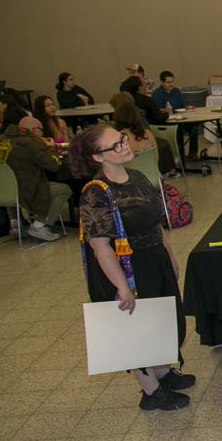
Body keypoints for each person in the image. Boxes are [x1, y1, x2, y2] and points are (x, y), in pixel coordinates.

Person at [73, 124, 193, 411]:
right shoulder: (95, 193)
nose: (124, 145)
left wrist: (170, 256)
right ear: (98, 158)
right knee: (134, 328)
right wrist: (121, 287)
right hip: (126, 267)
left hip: (154, 258)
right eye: (114, 145)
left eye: (122, 139)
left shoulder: (137, 176)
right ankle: (150, 391)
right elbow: (100, 247)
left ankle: (162, 372)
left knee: (160, 320)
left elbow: (155, 222)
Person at [0, 116, 70, 242]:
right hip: (25, 191)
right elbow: (54, 166)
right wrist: (50, 148)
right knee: (63, 189)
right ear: (34, 130)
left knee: (11, 183)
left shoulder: (0, 139)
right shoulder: (31, 142)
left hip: (0, 190)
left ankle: (16, 223)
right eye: (41, 130)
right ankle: (40, 225)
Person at [112, 92, 179, 177]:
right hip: (152, 177)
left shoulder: (118, 138)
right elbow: (156, 159)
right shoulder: (147, 133)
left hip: (129, 179)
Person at [153, 70, 202, 162]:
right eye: (168, 82)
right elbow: (158, 111)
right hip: (168, 122)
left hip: (180, 118)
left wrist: (186, 109)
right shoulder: (157, 94)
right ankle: (179, 155)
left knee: (194, 126)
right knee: (177, 132)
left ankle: (193, 153)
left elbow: (181, 106)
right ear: (162, 82)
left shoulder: (176, 91)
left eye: (172, 82)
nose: (171, 84)